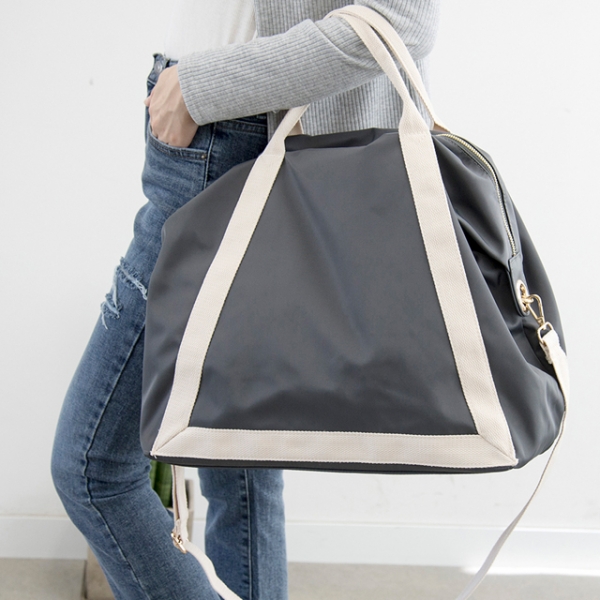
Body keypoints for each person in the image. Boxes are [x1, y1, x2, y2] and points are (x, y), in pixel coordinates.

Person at [51, 2, 440, 598]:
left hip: (227, 133)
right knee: (241, 465)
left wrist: (198, 86)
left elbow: (402, 20)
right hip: (214, 127)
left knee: (92, 465)